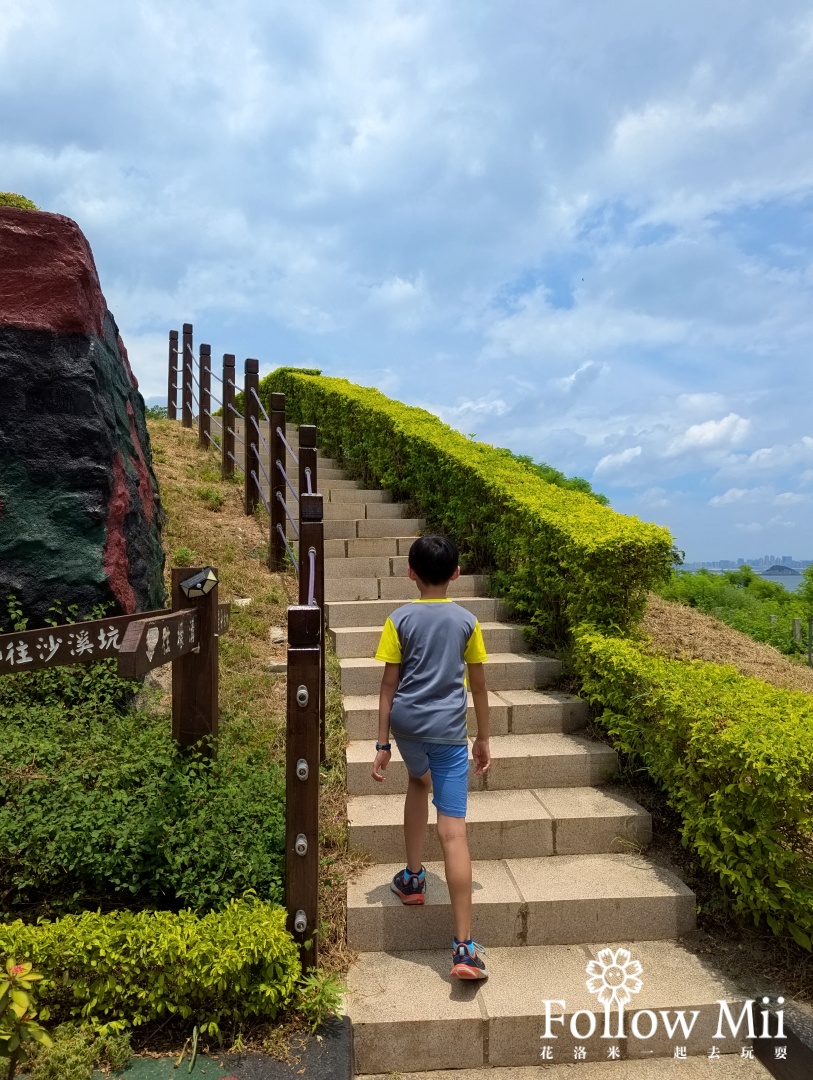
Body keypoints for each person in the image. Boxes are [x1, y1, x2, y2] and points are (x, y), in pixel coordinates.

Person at [371, 534, 491, 980]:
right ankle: (463, 949)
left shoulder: (398, 619)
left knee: (417, 782)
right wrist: (482, 738)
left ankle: (414, 878)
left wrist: (383, 745)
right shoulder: (467, 622)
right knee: (454, 834)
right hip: (447, 733)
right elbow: (477, 686)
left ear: (411, 573)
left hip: (406, 728)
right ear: (457, 574)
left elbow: (387, 686)